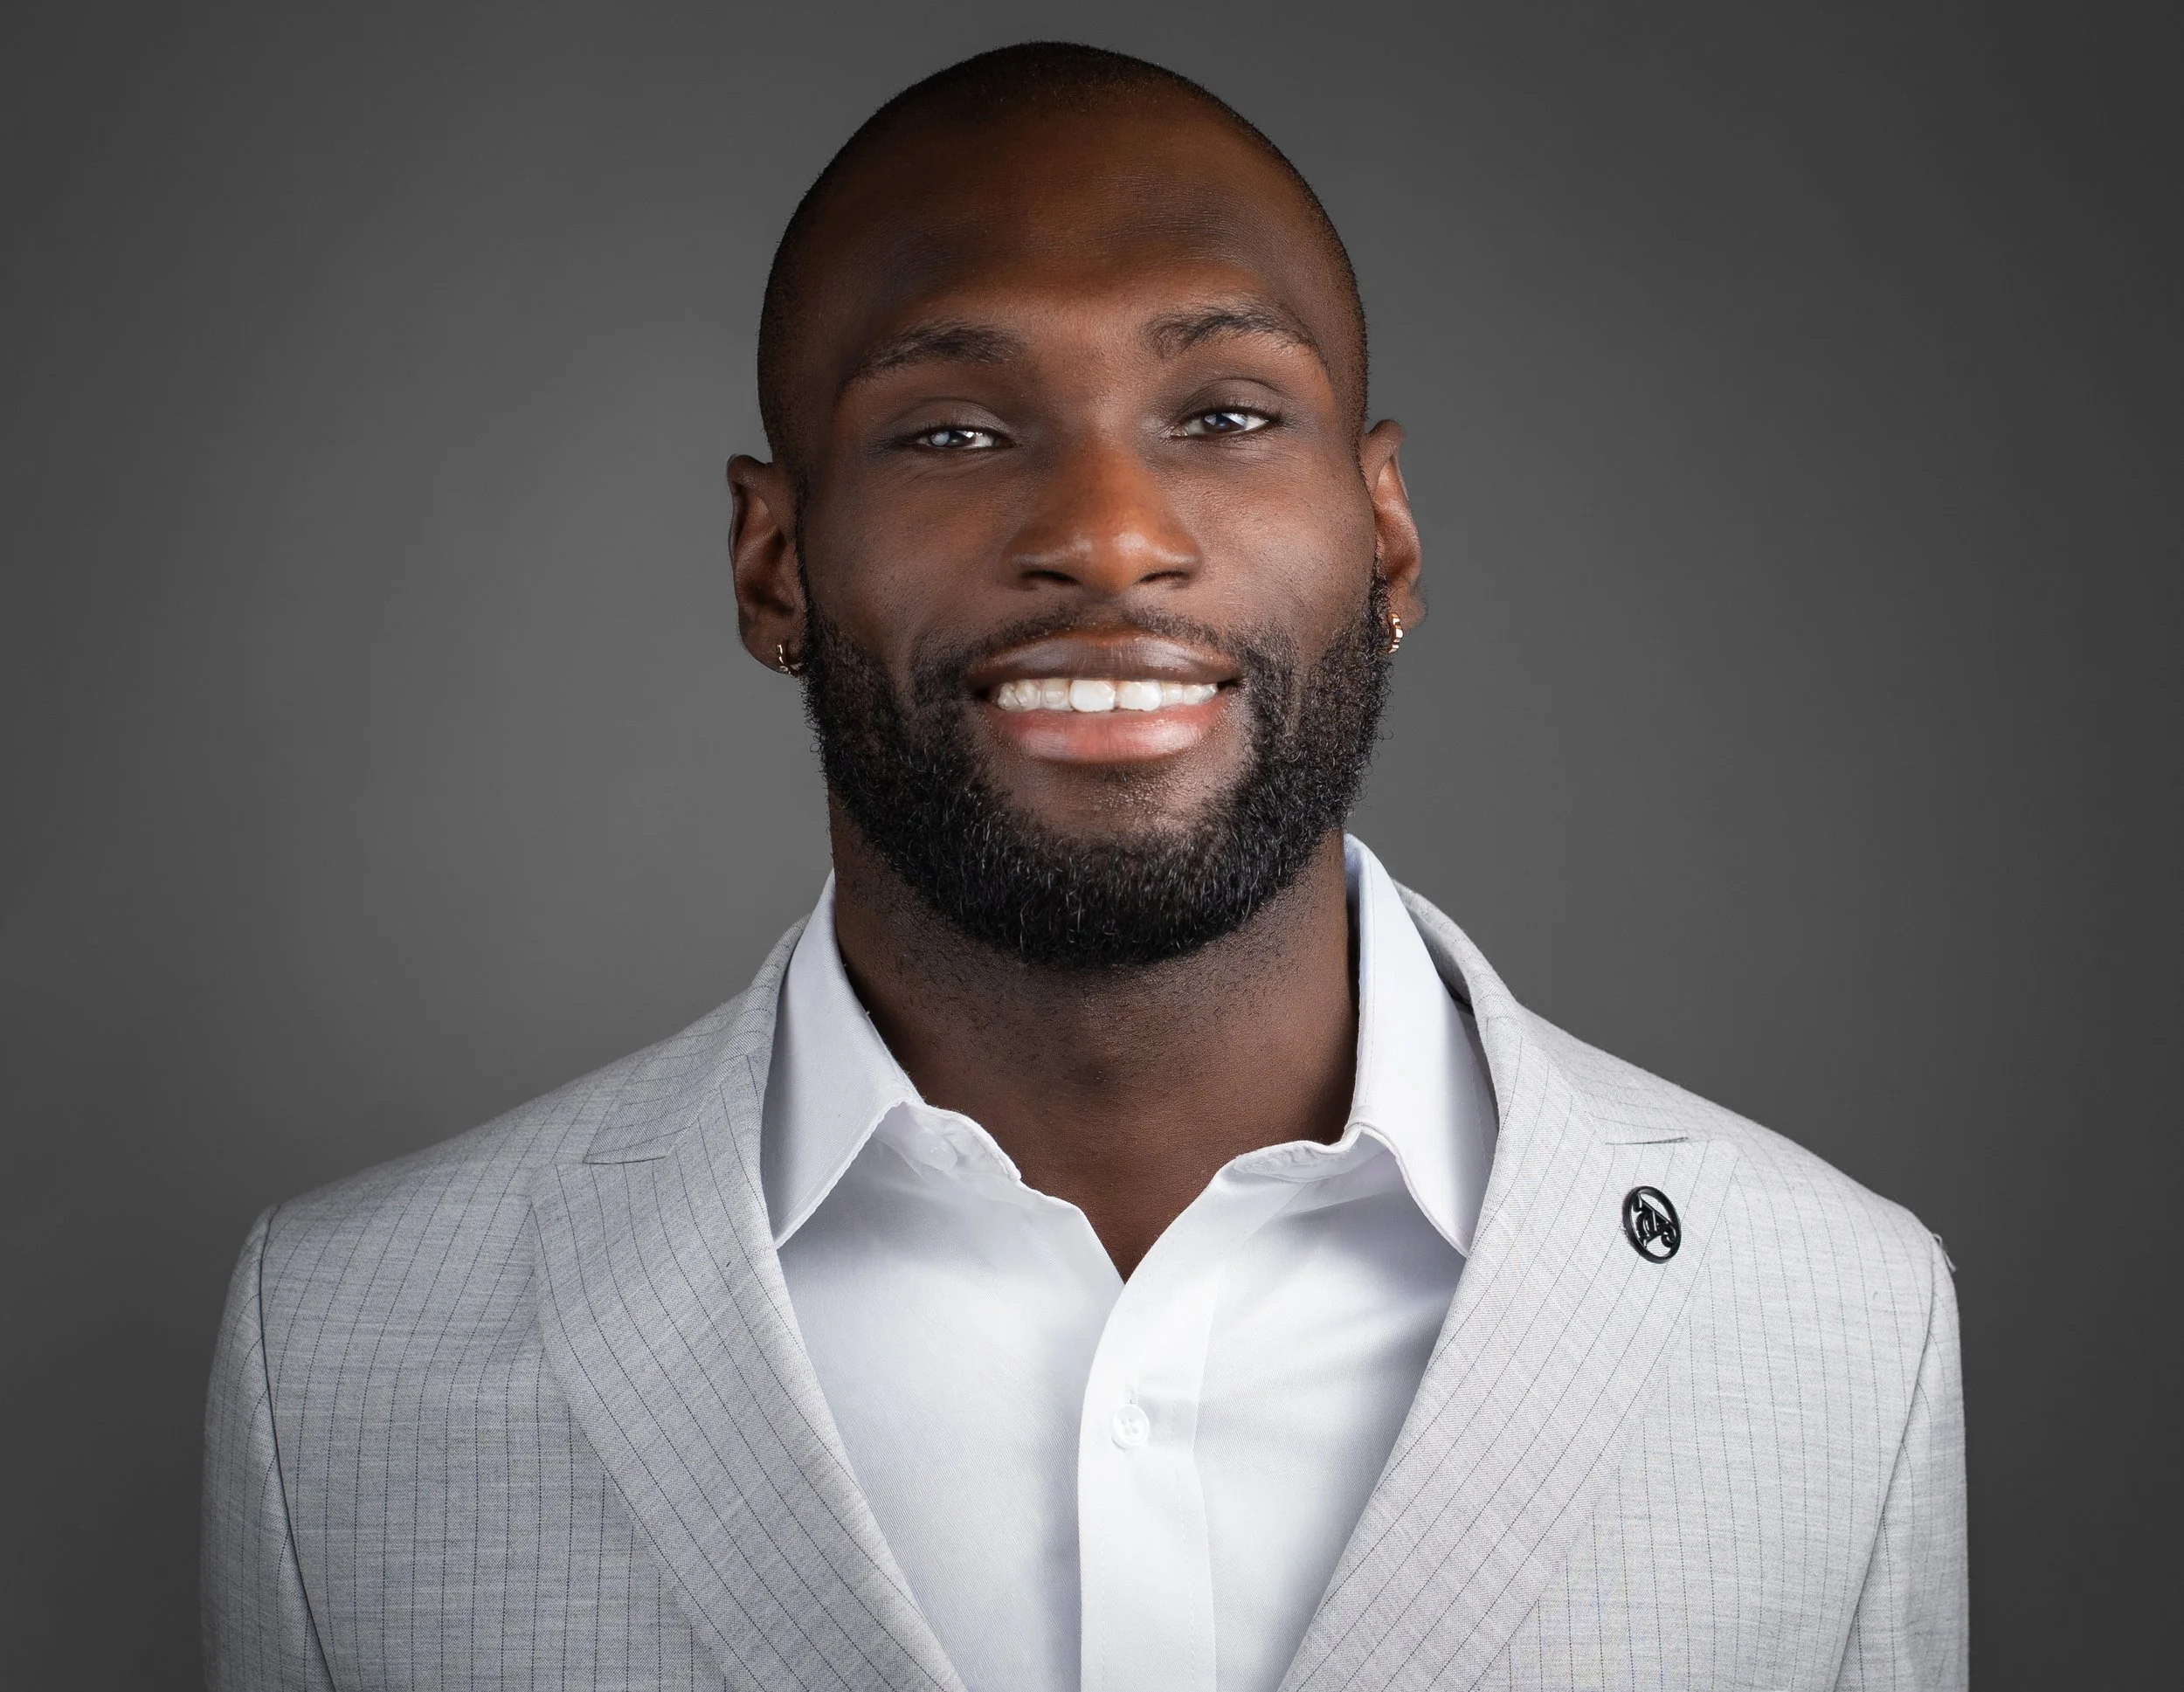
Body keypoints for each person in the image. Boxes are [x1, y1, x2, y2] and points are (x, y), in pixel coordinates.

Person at [202, 41, 1966, 1692]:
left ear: (1389, 535)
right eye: (955, 430)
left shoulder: (1834, 1320)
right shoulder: (341, 1358)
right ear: (771, 563)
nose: (1108, 536)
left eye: (1222, 412)